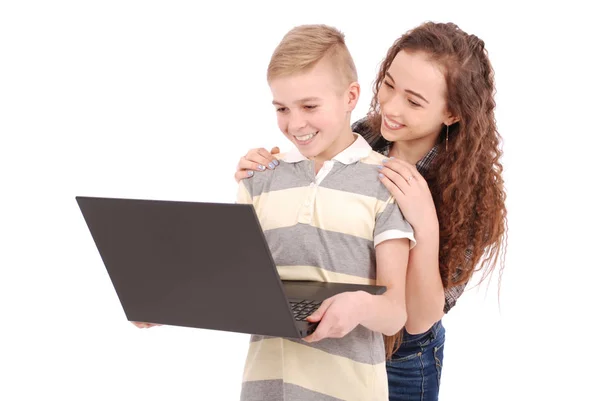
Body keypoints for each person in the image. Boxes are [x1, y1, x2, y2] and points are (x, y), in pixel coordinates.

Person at [235, 21, 508, 401]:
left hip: (403, 357)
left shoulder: (471, 199)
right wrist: (265, 167)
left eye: (413, 101)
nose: (390, 108)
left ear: (451, 114)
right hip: (331, 347)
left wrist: (425, 225)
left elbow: (417, 318)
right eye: (389, 85)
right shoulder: (366, 138)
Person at [236, 24, 422, 401]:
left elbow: (394, 313)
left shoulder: (384, 183)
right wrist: (167, 304)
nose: (295, 123)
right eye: (282, 108)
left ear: (350, 96)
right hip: (266, 389)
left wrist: (358, 305)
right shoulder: (258, 179)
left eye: (309, 106)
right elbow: (231, 285)